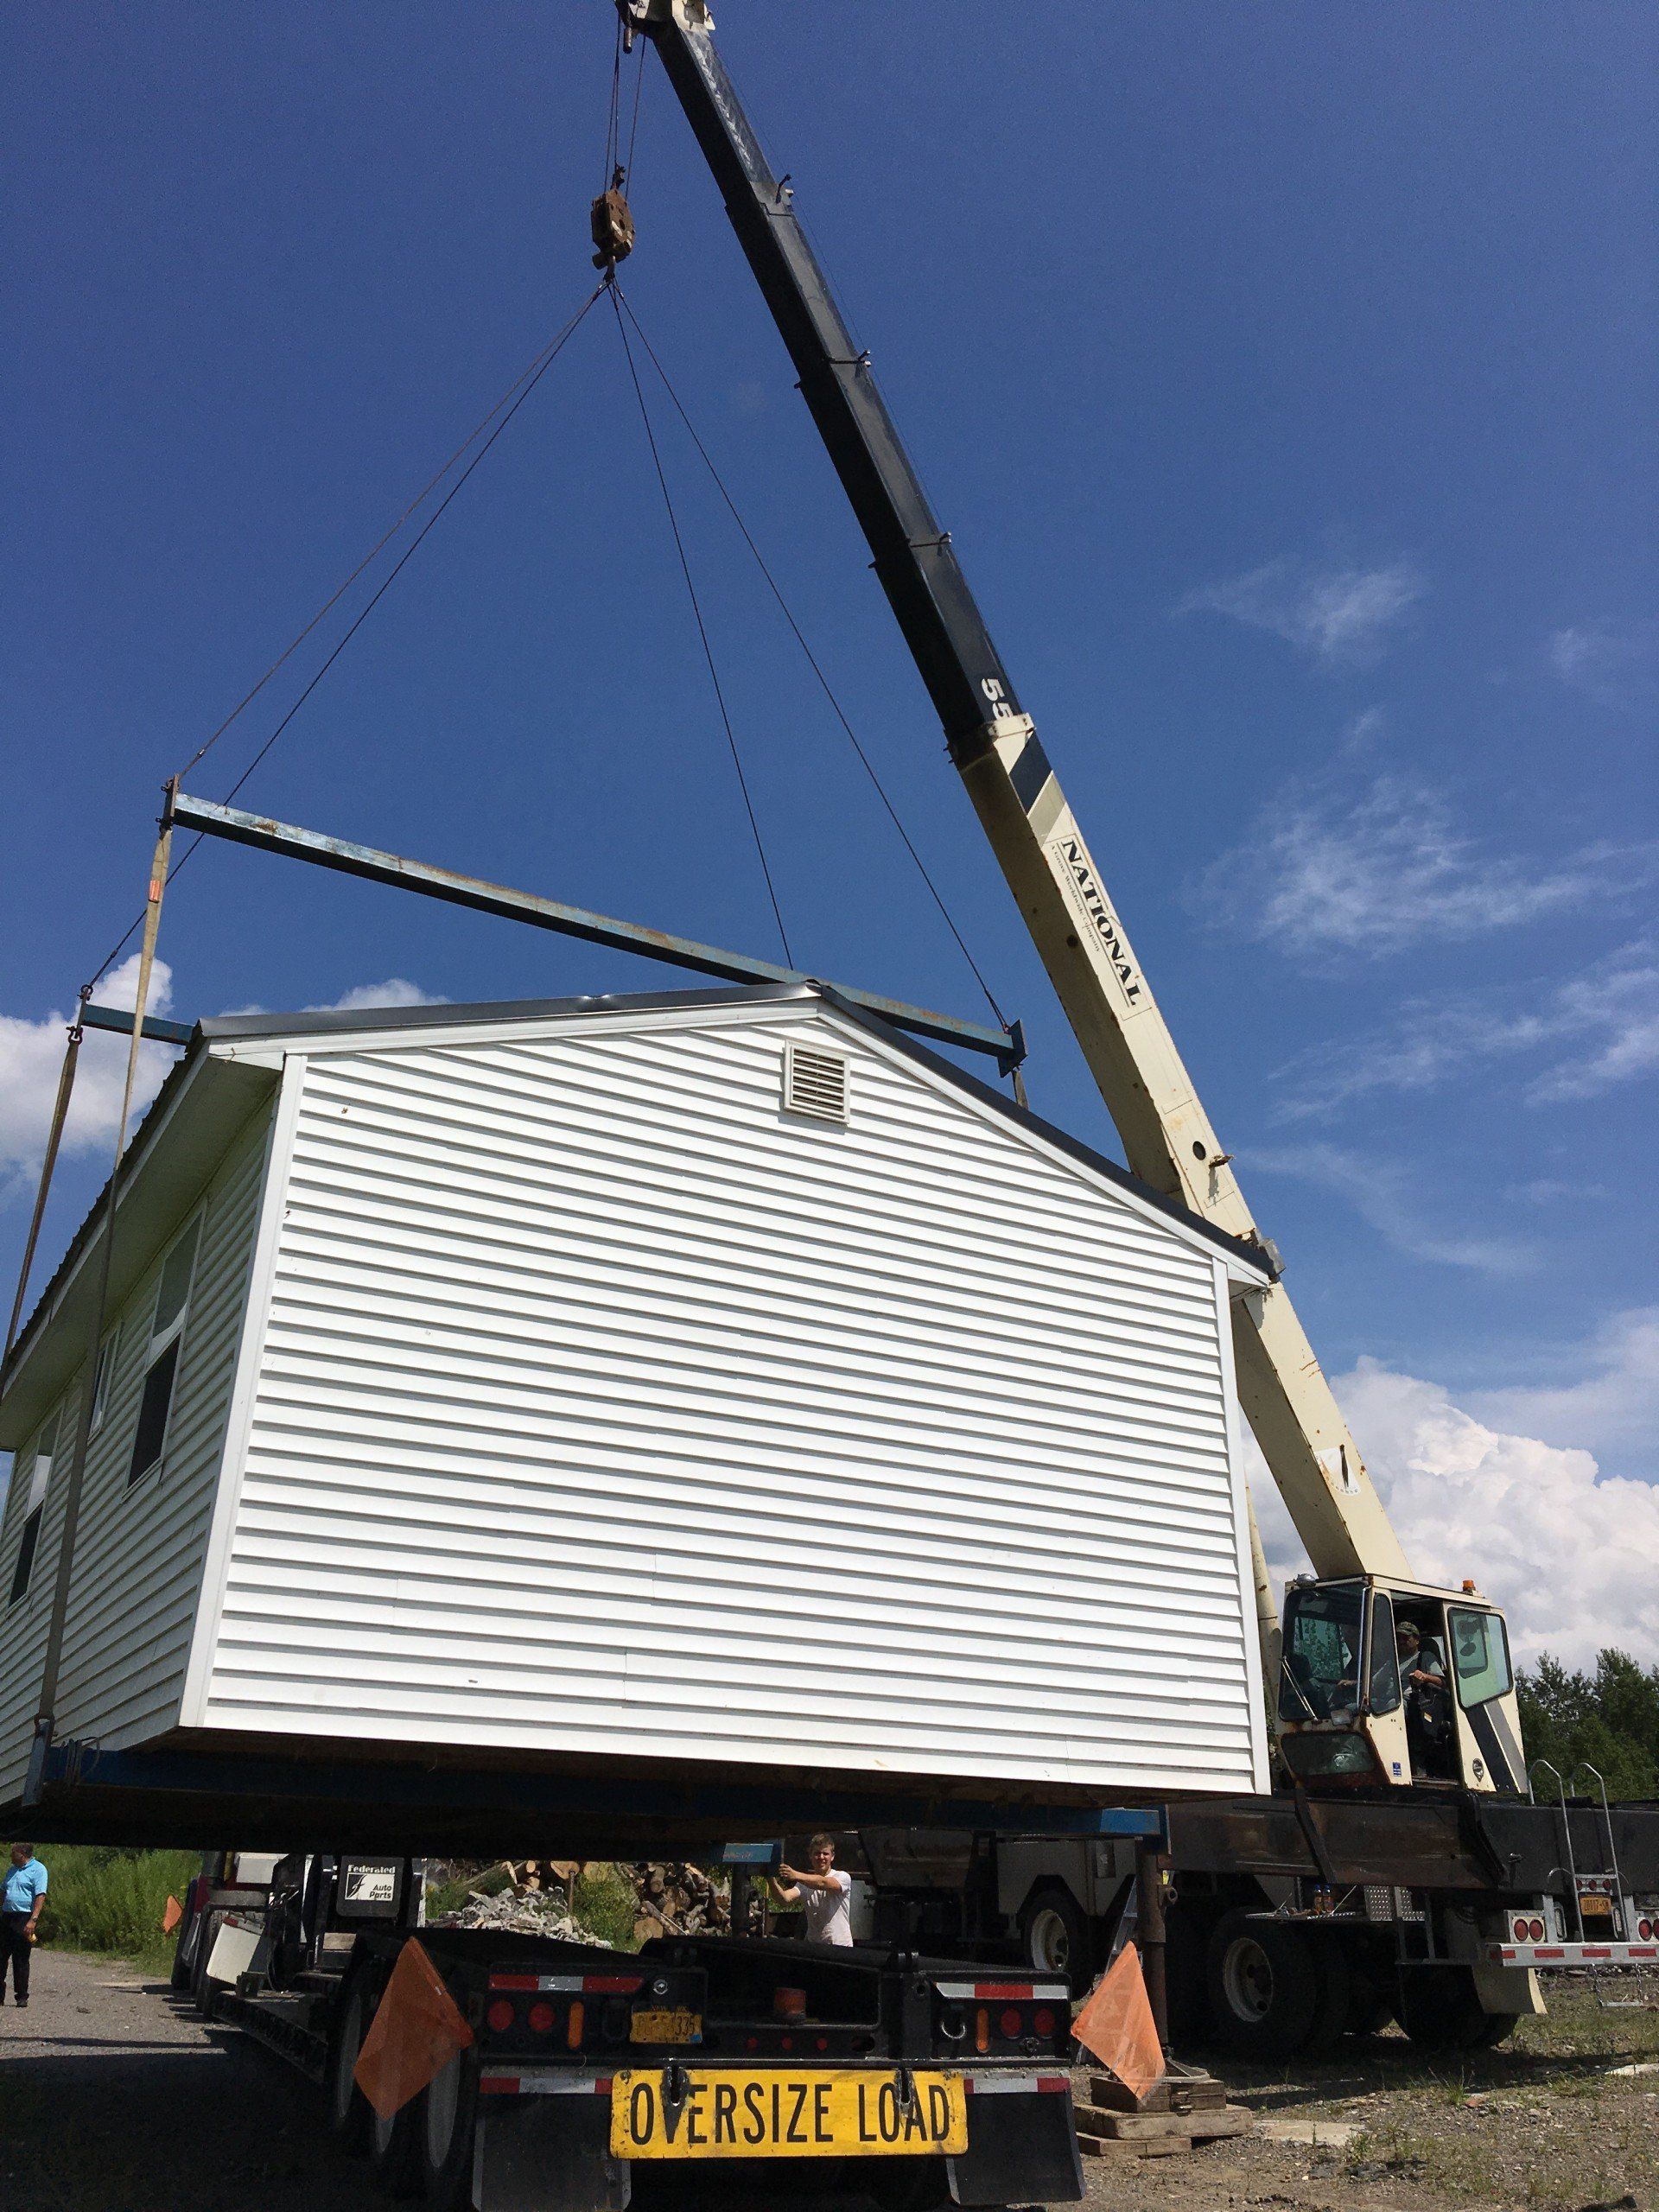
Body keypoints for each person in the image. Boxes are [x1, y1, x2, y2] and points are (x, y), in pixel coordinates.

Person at [771, 1834, 853, 1947]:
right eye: (817, 1853)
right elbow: (784, 1899)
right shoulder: (804, 1882)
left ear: (832, 1856)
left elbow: (823, 1883)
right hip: (813, 1946)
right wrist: (770, 1879)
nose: (821, 1857)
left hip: (840, 1946)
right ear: (810, 1856)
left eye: (825, 1853)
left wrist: (796, 1875)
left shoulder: (843, 1877)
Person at [3, 1843, 48, 2008]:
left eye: (13, 1853)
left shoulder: (38, 1869)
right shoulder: (12, 1870)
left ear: (22, 1854)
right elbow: (3, 1890)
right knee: (1, 1956)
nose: (10, 1856)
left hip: (24, 1917)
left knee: (20, 1958)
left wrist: (33, 1920)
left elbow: (40, 1895)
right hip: (7, 1916)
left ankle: (21, 1996)